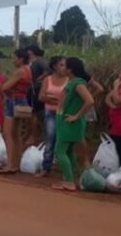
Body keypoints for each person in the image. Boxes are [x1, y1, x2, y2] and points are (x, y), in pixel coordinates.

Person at [52, 57, 96, 191]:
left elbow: (90, 101)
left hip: (69, 122)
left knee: (59, 151)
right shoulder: (74, 82)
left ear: (70, 69)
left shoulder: (77, 84)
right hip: (66, 121)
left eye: (64, 66)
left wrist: (76, 115)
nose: (62, 68)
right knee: (69, 151)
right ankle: (69, 179)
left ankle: (70, 181)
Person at [0, 48, 33, 174]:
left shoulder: (19, 71)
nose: (13, 60)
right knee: (16, 134)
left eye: (14, 58)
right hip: (23, 101)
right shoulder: (29, 70)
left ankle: (10, 165)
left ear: (21, 59)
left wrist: (5, 88)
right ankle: (16, 164)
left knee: (8, 134)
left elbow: (5, 87)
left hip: (13, 101)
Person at [35, 56, 67, 177]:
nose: (64, 68)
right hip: (51, 113)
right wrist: (56, 101)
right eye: (62, 65)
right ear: (55, 66)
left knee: (63, 141)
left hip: (64, 114)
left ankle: (65, 169)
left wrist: (50, 99)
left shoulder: (69, 80)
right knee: (49, 141)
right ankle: (46, 167)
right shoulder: (47, 79)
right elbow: (40, 97)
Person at [26, 45, 49, 146]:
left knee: (34, 113)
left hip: (36, 89)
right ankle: (36, 135)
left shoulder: (39, 61)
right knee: (33, 113)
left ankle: (35, 136)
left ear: (31, 51)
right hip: (30, 90)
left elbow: (48, 70)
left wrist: (39, 79)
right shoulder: (29, 62)